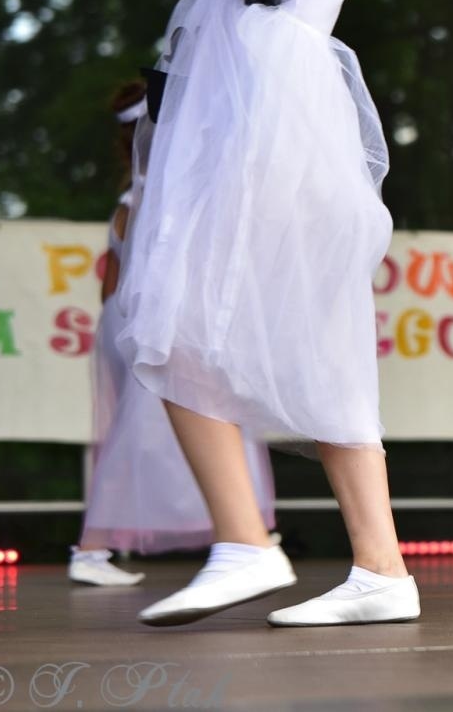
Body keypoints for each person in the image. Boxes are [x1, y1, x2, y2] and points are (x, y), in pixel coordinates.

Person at [71, 0, 417, 625]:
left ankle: (246, 544)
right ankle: (379, 570)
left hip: (280, 155)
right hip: (263, 152)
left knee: (171, 322)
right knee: (293, 350)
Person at [73, 81, 277, 587]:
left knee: (153, 430)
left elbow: (110, 282)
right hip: (150, 321)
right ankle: (92, 548)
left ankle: (244, 534)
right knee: (141, 435)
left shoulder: (134, 196)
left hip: (125, 319)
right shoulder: (155, 196)